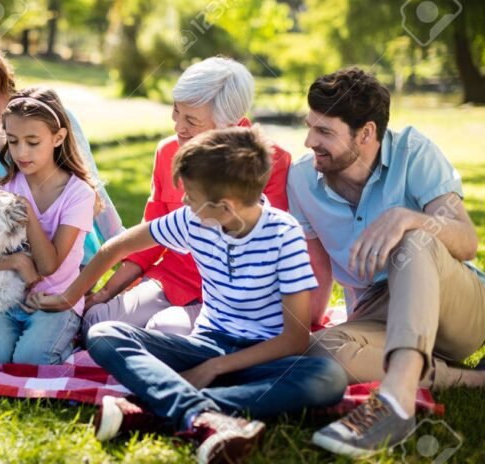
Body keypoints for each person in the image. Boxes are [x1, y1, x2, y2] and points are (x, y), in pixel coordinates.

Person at [27, 127, 347, 464]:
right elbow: (116, 248)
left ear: (225, 207)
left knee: (327, 378)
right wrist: (68, 297)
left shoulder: (285, 236)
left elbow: (295, 339)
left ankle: (154, 411)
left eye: (191, 196)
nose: (183, 202)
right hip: (204, 344)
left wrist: (215, 367)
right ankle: (202, 414)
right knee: (104, 334)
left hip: (262, 359)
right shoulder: (193, 220)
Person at [286, 67, 485, 457]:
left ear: (366, 134)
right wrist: (305, 329)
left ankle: (396, 399)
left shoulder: (414, 152)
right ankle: (473, 382)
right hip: (382, 312)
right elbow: (317, 269)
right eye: (310, 127)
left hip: (457, 306)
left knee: (414, 241)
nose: (310, 141)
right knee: (315, 352)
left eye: (325, 132)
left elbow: (467, 243)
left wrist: (408, 218)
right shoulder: (301, 180)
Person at [82, 57, 292, 338]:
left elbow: (260, 253)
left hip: (224, 295)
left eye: (192, 120)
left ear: (234, 124)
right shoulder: (167, 152)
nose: (178, 127)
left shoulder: (271, 163)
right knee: (96, 320)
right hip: (171, 279)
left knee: (163, 330)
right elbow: (148, 239)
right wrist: (106, 293)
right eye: (176, 112)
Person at [0, 29, 123, 266]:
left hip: (74, 253)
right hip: (14, 261)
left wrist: (122, 251)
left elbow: (91, 183)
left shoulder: (51, 115)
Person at [0, 87, 96, 366]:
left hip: (56, 303)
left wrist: (27, 212)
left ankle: (65, 340)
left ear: (58, 137)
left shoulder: (78, 194)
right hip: (5, 301)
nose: (21, 152)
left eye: (33, 142)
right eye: (13, 141)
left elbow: (49, 266)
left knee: (32, 360)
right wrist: (16, 261)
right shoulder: (4, 189)